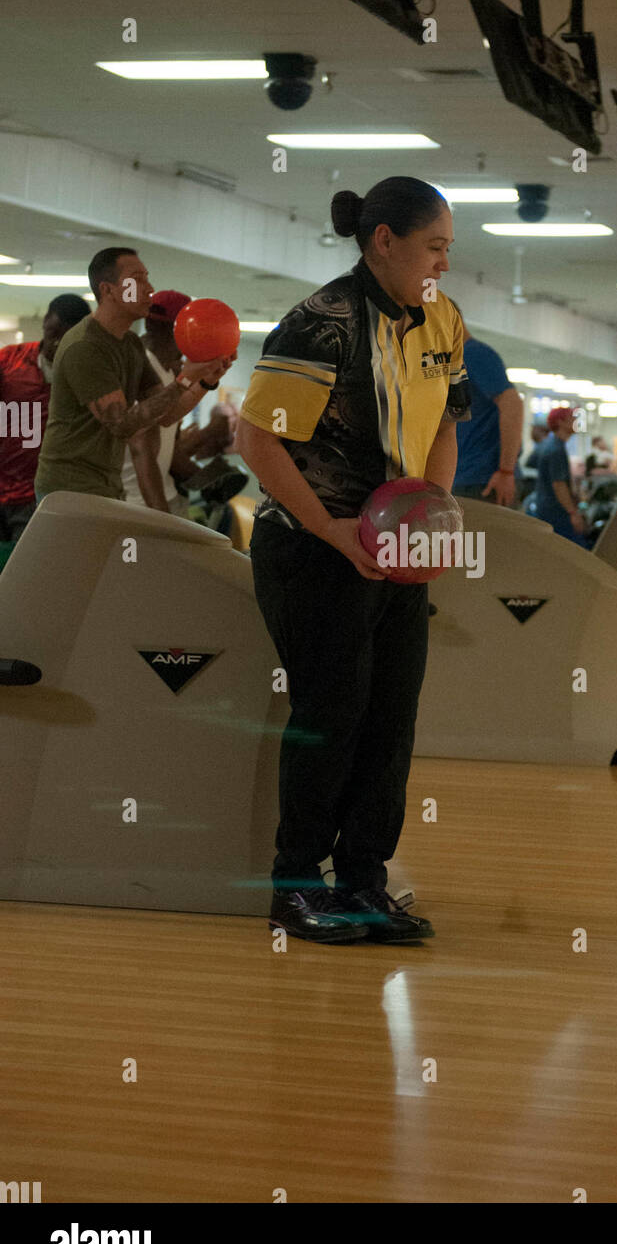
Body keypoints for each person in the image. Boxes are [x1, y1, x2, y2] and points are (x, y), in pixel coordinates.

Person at [235, 176, 470, 947]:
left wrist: (430, 507)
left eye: (447, 249)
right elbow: (257, 440)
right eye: (433, 247)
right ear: (383, 241)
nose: (441, 263)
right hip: (313, 550)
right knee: (331, 716)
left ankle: (364, 880)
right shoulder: (321, 324)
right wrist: (331, 530)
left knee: (389, 719)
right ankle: (297, 888)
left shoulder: (442, 321)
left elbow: (442, 423)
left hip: (397, 553)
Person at [34, 248, 233, 501]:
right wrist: (185, 378)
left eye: (147, 278)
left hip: (106, 486)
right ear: (107, 290)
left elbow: (166, 413)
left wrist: (207, 379)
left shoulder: (130, 343)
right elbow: (122, 424)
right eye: (137, 279)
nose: (149, 288)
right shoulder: (85, 346)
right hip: (69, 488)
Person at [0, 294, 91, 542]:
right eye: (53, 333)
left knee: (27, 571)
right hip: (4, 481)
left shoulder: (86, 374)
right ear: (45, 324)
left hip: (43, 495)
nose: (56, 343)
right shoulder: (9, 361)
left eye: (65, 336)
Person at [119, 289, 193, 516]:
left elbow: (169, 431)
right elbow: (141, 444)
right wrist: (161, 514)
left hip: (165, 494)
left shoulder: (173, 371)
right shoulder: (140, 367)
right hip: (139, 502)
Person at [450, 303, 523, 505]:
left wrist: (506, 471)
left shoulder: (474, 354)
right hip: (467, 475)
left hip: (484, 479)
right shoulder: (454, 359)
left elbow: (513, 404)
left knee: (481, 537)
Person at [532, 406, 588, 544]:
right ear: (561, 422)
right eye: (572, 418)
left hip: (548, 508)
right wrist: (573, 513)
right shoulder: (556, 449)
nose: (577, 421)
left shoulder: (551, 445)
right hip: (555, 512)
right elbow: (559, 485)